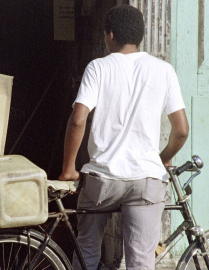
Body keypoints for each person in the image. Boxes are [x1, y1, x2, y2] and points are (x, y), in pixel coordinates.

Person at [58, 5, 189, 270]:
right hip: (146, 180)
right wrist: (162, 158)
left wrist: (68, 168)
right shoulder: (163, 70)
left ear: (109, 35)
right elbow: (182, 130)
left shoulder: (98, 67)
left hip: (103, 180)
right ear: (140, 36)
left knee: (87, 251)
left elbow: (78, 119)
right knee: (141, 261)